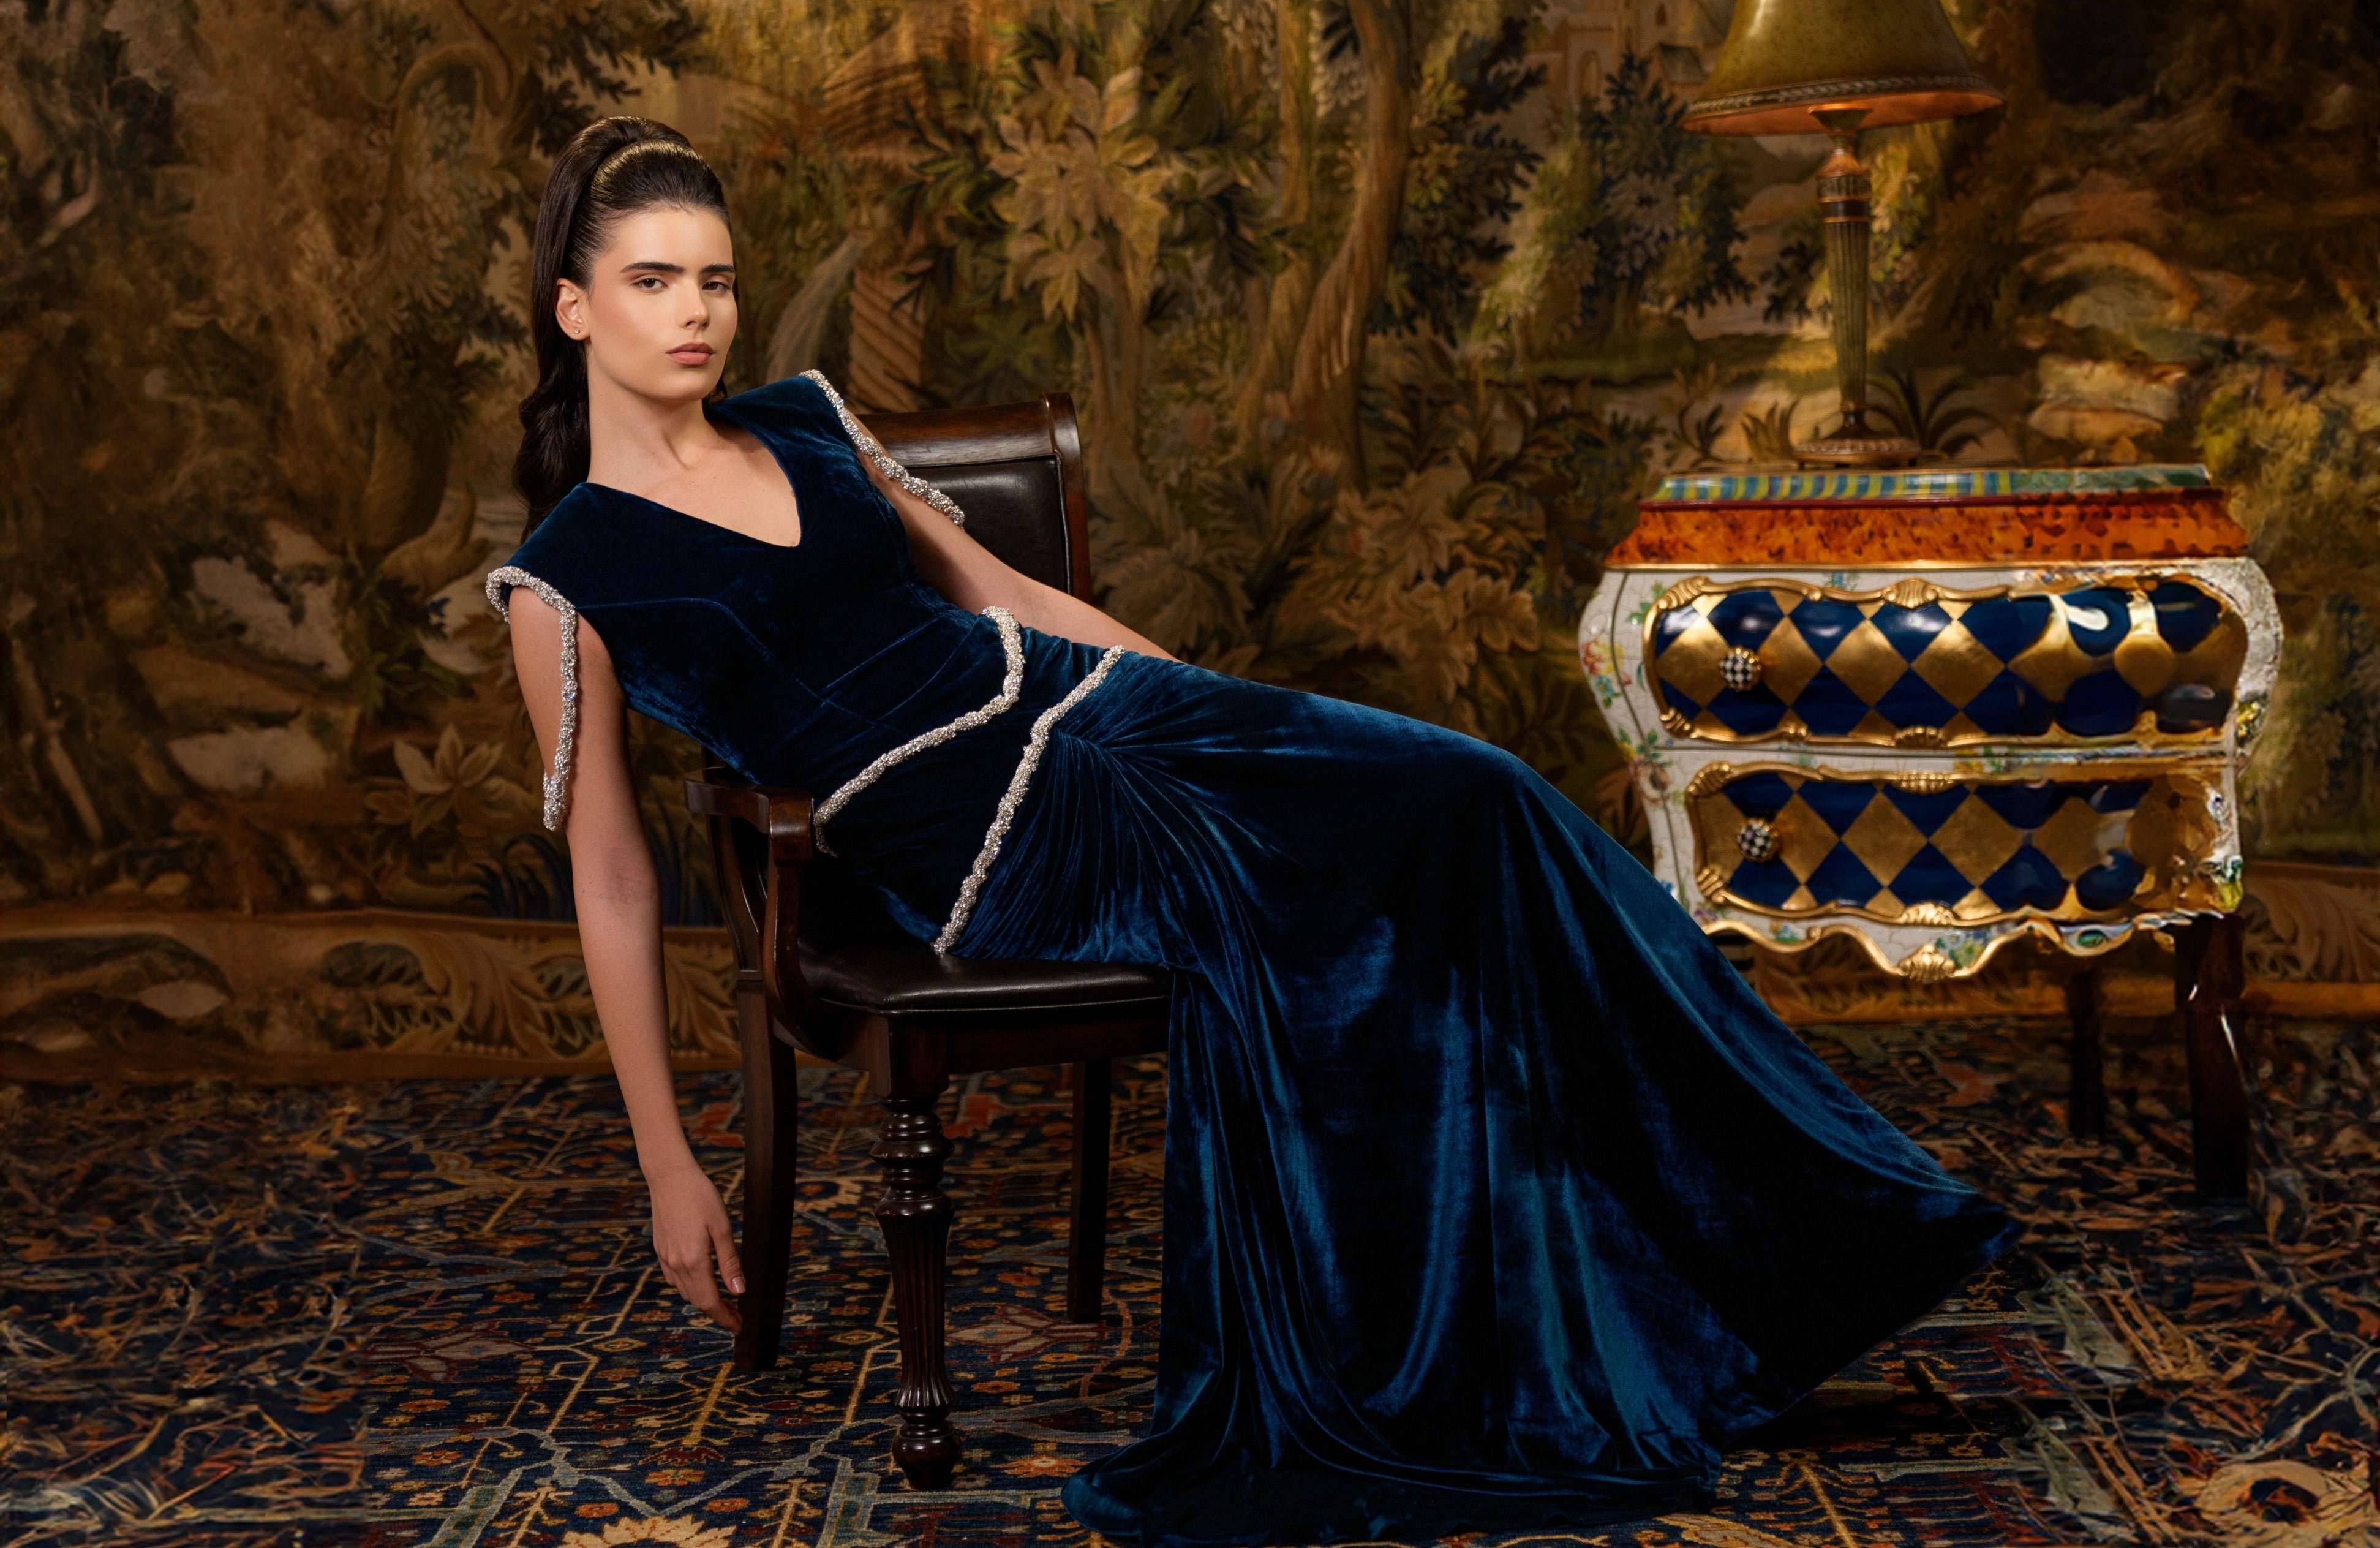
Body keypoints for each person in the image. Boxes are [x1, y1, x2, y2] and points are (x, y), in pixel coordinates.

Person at [485, 115, 2018, 1547]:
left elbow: (1005, 600)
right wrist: (662, 1158)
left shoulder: (807, 421)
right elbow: (611, 874)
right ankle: (1485, 1353)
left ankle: (1806, 1229)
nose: (696, 312)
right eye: (651, 282)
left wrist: (1220, 710)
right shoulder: (567, 581)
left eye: (716, 278)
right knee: (1324, 929)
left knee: (1473, 795)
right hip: (1003, 841)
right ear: (573, 309)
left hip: (1099, 708)